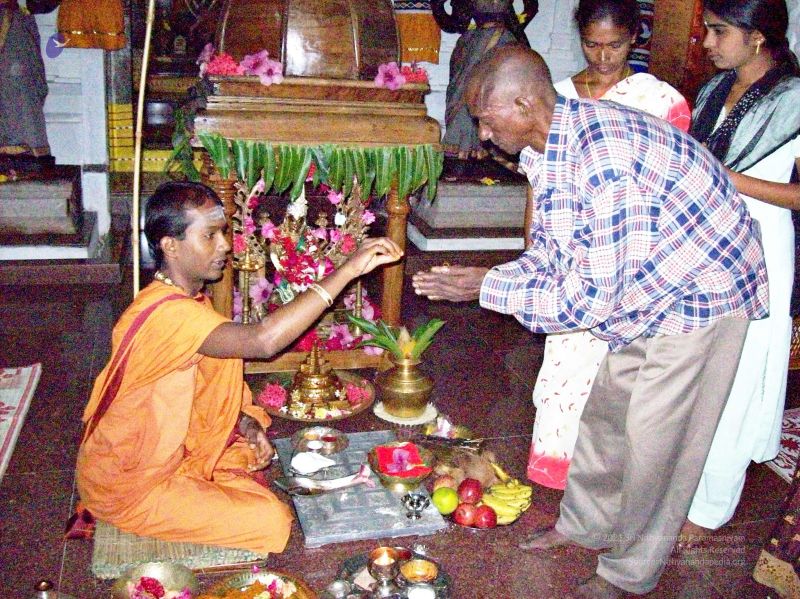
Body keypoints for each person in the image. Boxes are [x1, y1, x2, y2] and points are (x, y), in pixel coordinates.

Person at [411, 44, 769, 597]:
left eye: (486, 120)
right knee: (604, 417)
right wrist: (492, 278)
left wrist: (489, 286)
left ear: (525, 103)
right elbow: (555, 256)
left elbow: (587, 302)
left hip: (701, 295)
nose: (482, 136)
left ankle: (629, 573)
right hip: (647, 286)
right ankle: (584, 526)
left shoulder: (601, 163)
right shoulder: (549, 148)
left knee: (657, 444)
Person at [75, 181, 402, 554]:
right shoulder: (168, 315)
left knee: (247, 452)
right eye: (210, 236)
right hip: (131, 481)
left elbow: (203, 388)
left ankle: (205, 479)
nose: (225, 246)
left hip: (174, 450)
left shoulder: (188, 303)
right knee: (270, 521)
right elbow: (263, 341)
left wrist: (243, 424)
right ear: (170, 245)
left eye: (224, 233)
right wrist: (346, 271)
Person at [526, 0, 691, 491]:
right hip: (571, 255)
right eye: (592, 44)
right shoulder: (553, 99)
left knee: (620, 373)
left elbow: (672, 185)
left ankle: (609, 477)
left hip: (633, 256)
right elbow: (538, 184)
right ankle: (559, 470)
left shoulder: (659, 101)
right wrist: (536, 254)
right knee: (565, 367)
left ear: (634, 39)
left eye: (614, 45)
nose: (602, 57)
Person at [679, 0, 800, 549]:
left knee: (737, 373)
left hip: (758, 246)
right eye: (707, 30)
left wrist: (729, 179)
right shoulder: (710, 91)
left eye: (718, 31)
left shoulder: (795, 100)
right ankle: (682, 480)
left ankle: (710, 506)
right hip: (703, 240)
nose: (706, 42)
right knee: (694, 368)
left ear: (757, 38)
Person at [432, 0, 538, 161]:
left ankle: (482, 148)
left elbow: (531, 8)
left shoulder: (505, 40)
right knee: (464, 93)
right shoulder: (467, 39)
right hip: (476, 42)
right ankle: (465, 147)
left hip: (498, 41)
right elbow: (456, 23)